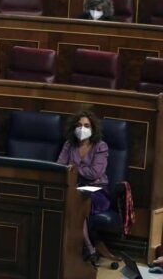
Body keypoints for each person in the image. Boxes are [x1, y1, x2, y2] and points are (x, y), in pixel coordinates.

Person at [57, 110, 109, 264]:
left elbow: (95, 173)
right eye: (79, 125)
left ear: (93, 129)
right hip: (75, 188)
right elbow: (60, 166)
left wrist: (73, 168)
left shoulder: (100, 146)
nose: (82, 128)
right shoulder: (69, 144)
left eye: (86, 125)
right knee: (71, 199)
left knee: (78, 202)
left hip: (97, 191)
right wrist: (74, 170)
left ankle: (88, 248)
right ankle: (85, 249)